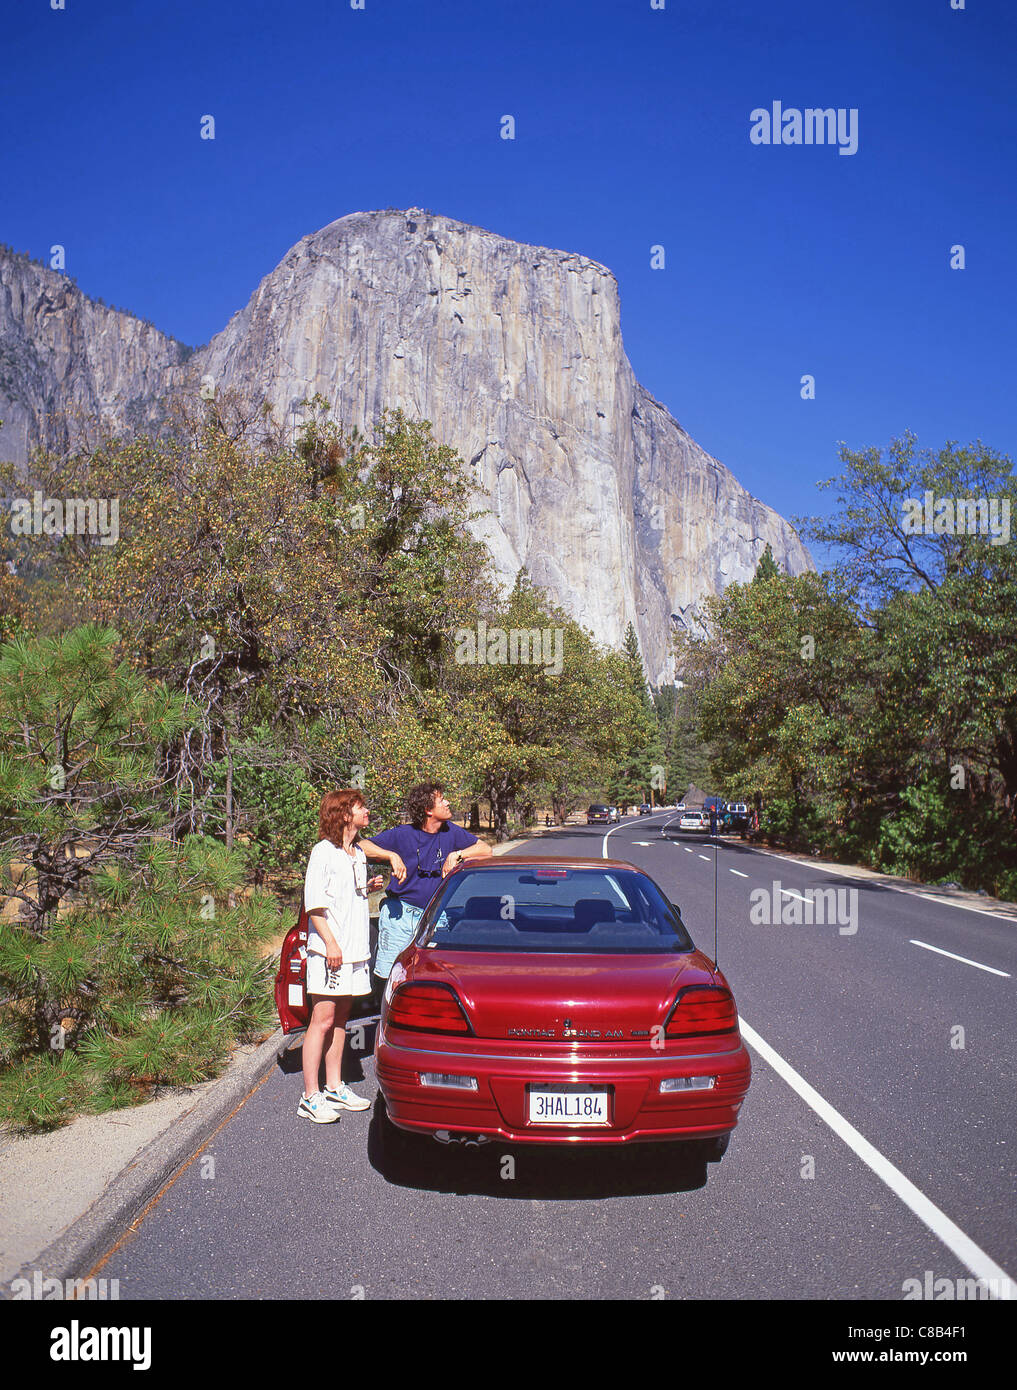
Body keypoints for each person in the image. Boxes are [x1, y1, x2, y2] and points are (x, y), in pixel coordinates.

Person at [298, 788, 405, 1123]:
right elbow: (315, 905)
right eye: (360, 808)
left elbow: (347, 894)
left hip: (354, 952)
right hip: (330, 951)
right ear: (344, 814)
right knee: (322, 1020)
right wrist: (330, 944)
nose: (366, 811)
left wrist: (368, 887)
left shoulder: (356, 853)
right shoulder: (323, 852)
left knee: (341, 1020)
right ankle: (310, 1095)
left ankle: (334, 1086)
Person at [366, 781, 492, 996]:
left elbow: (485, 850)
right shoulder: (401, 834)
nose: (448, 802)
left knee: (435, 977)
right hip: (400, 915)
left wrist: (457, 855)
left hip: (436, 918)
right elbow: (361, 846)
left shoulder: (451, 832)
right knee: (391, 976)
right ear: (428, 809)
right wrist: (391, 856)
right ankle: (387, 1020)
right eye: (442, 799)